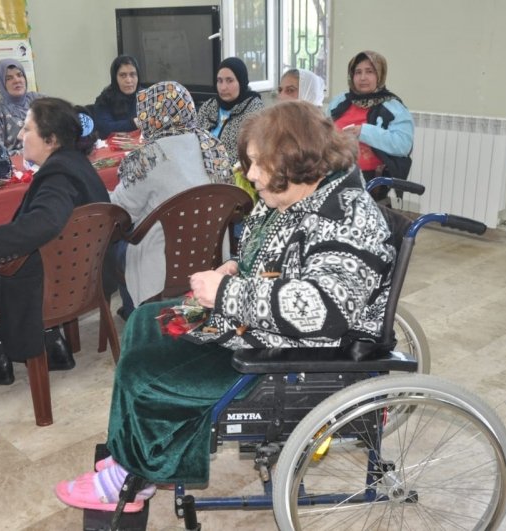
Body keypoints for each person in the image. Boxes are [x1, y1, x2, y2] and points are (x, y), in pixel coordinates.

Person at [54, 101, 396, 512]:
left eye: (259, 163)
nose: (249, 174)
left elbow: (322, 310)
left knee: (147, 375)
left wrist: (226, 294)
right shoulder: (296, 195)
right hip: (259, 325)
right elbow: (270, 254)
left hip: (295, 354)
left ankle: (133, 479)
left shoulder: (346, 218)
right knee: (145, 320)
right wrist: (237, 266)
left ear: (295, 160)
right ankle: (134, 451)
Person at [0, 98, 108, 384]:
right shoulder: (78, 164)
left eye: (27, 129)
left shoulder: (58, 176)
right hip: (84, 278)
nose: (20, 136)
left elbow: (45, 220)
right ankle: (53, 343)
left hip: (49, 290)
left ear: (50, 139)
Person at [111, 81, 231, 318]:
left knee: (116, 245)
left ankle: (136, 315)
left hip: (162, 267)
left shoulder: (147, 157)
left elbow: (120, 211)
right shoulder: (213, 146)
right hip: (214, 255)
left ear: (152, 115)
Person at [329, 50, 413, 201]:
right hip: (333, 174)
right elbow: (323, 131)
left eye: (369, 71)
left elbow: (403, 145)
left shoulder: (393, 107)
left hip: (371, 182)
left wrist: (363, 132)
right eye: (358, 72)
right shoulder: (340, 101)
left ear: (380, 75)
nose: (363, 78)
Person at [197, 57, 265, 166]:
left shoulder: (254, 110)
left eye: (230, 80)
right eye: (220, 81)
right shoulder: (209, 105)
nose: (223, 87)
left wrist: (217, 166)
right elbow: (194, 137)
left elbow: (248, 153)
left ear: (241, 81)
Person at [0, 59, 43, 155]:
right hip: (16, 162)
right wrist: (30, 153)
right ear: (1, 83)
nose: (17, 80)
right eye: (9, 78)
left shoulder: (39, 100)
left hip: (50, 158)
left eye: (19, 75)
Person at [93, 56, 141, 139]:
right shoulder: (105, 99)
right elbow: (104, 128)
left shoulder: (147, 96)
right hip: (114, 145)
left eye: (132, 74)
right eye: (123, 75)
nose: (129, 80)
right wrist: (133, 123)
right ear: (115, 78)